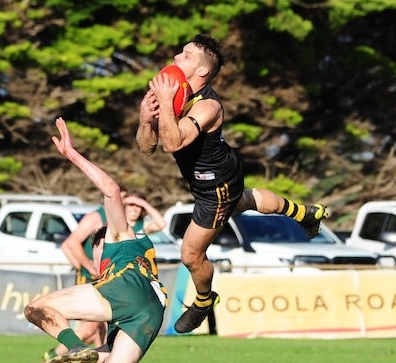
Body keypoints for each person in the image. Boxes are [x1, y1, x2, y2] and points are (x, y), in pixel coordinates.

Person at [136, 33, 328, 333]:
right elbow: (146, 148)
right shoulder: (176, 98)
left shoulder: (207, 107)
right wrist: (146, 120)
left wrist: (162, 103)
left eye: (185, 56)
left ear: (201, 71)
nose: (175, 58)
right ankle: (306, 214)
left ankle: (203, 299)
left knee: (190, 254)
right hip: (224, 172)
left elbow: (172, 144)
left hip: (215, 188)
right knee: (246, 200)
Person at [25, 117, 167, 363]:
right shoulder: (141, 246)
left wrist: (71, 153)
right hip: (152, 311)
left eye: (95, 251)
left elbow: (111, 189)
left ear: (102, 243)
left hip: (126, 290)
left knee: (35, 309)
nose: (96, 259)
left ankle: (76, 347)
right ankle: (79, 352)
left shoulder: (117, 237)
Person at [42, 190, 167, 361]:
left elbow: (161, 224)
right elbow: (69, 244)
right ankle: (55, 354)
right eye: (129, 202)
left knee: (104, 330)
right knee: (88, 329)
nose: (134, 208)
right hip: (94, 277)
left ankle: (90, 355)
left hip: (124, 284)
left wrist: (143, 202)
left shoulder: (138, 227)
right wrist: (88, 267)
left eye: (138, 205)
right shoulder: (98, 218)